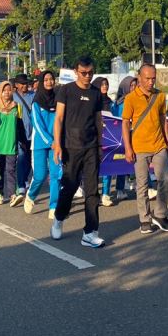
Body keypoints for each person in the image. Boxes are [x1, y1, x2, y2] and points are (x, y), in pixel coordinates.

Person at [51, 56, 106, 248]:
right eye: (83, 73)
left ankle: (90, 232)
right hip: (71, 147)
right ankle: (59, 217)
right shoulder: (66, 91)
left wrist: (100, 145)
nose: (87, 76)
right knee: (70, 187)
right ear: (76, 72)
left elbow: (99, 121)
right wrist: (57, 144)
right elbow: (58, 118)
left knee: (92, 191)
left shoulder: (96, 93)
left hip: (91, 147)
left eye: (90, 73)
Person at [122, 63, 168, 235]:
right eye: (147, 78)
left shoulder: (159, 96)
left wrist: (167, 142)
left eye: (153, 78)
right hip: (139, 147)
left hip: (159, 145)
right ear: (139, 77)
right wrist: (128, 148)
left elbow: (163, 119)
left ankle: (159, 214)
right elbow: (125, 123)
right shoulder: (130, 98)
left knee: (164, 180)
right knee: (142, 185)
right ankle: (144, 219)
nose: (151, 82)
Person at [25, 71, 60, 217]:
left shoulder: (58, 99)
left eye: (51, 79)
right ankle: (31, 196)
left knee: (56, 175)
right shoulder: (36, 101)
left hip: (55, 144)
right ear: (41, 82)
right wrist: (49, 141)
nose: (49, 82)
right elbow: (37, 125)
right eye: (46, 80)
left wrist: (57, 141)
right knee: (39, 175)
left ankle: (54, 206)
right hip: (40, 143)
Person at [0, 82, 22, 206]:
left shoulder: (17, 107)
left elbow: (20, 127)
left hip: (12, 145)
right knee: (0, 172)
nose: (7, 93)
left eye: (9, 90)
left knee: (10, 170)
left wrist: (23, 142)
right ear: (0, 92)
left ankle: (12, 195)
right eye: (4, 90)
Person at [91, 77, 118, 207]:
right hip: (94, 139)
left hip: (108, 138)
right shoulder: (93, 102)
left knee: (109, 166)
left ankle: (106, 194)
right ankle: (93, 193)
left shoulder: (111, 103)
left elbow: (116, 119)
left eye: (106, 84)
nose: (105, 87)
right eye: (102, 84)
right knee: (94, 168)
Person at [12, 74, 35, 197]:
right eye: (22, 83)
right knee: (21, 158)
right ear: (16, 85)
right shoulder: (12, 97)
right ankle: (20, 185)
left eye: (26, 83)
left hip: (33, 133)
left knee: (30, 159)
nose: (25, 85)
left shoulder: (34, 96)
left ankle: (25, 178)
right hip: (19, 133)